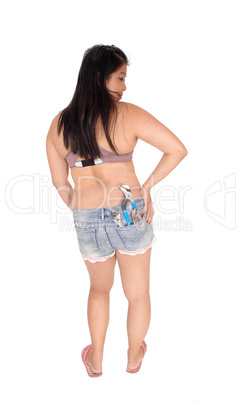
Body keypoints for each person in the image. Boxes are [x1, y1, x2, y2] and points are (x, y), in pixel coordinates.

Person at [46, 44, 187, 377]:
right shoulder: (128, 114)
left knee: (98, 289)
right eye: (120, 77)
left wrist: (82, 211)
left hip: (86, 213)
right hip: (127, 207)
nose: (124, 87)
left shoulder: (59, 124)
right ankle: (134, 356)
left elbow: (59, 181)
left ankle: (95, 360)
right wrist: (146, 188)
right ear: (99, 77)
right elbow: (177, 150)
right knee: (137, 294)